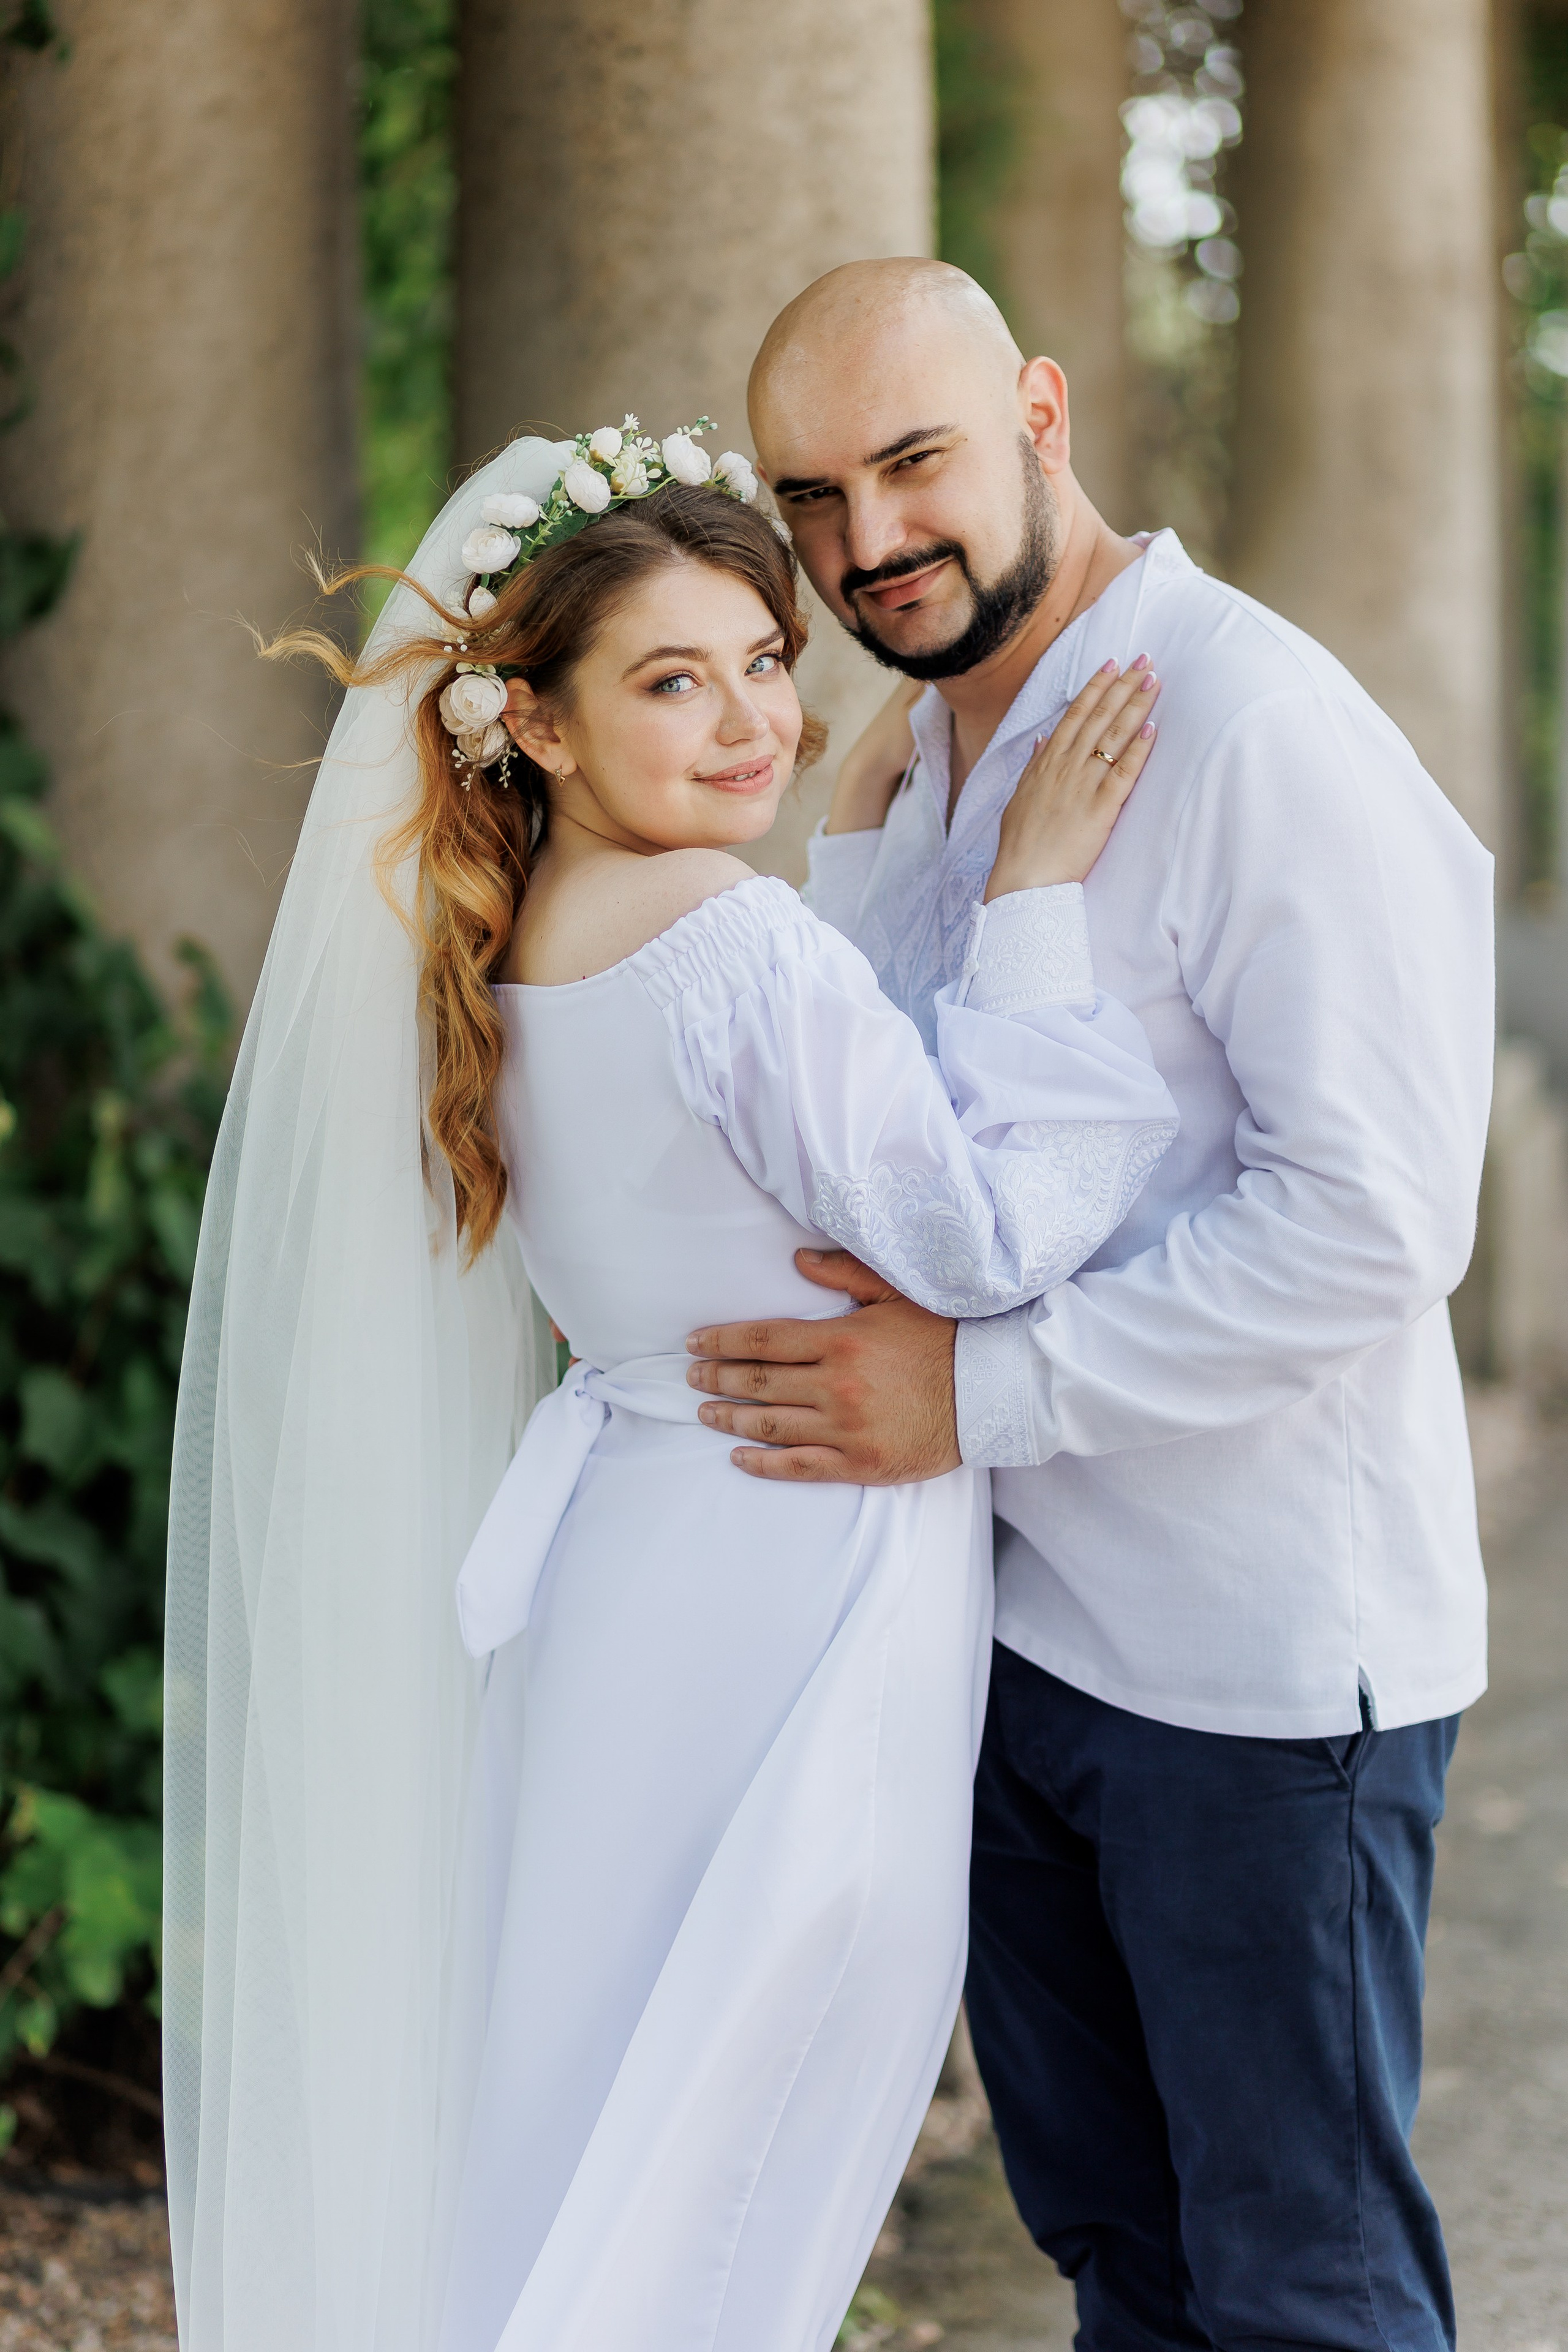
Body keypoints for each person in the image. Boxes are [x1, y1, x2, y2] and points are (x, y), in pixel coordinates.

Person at [163, 417, 1180, 2350]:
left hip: (628, 1573)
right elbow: (986, 1241)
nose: (747, 722)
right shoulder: (726, 942)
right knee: (739, 2141)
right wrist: (1036, 900)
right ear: (534, 723)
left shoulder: (519, 943)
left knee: (585, 2106)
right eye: (671, 680)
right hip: (794, 1577)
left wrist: (861, 859)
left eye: (767, 665)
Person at [684, 259, 1497, 2352]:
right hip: (1018, 1657)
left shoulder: (1252, 725)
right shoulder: (932, 759)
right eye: (812, 495)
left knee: (1303, 2296)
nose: (865, 542)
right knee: (1126, 2278)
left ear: (1041, 412)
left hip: (1250, 1678)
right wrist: (860, 881)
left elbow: (1375, 1223)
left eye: (914, 460)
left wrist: (976, 1395)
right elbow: (916, 1160)